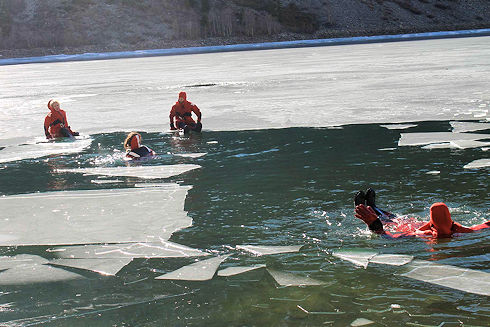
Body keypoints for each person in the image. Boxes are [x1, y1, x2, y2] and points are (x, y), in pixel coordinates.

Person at [354, 188, 489, 238]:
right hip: (415, 224)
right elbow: (486, 225)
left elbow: (387, 236)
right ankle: (373, 207)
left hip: (409, 227)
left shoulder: (426, 234)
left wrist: (373, 223)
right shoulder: (464, 230)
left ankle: (372, 209)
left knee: (393, 221)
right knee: (396, 219)